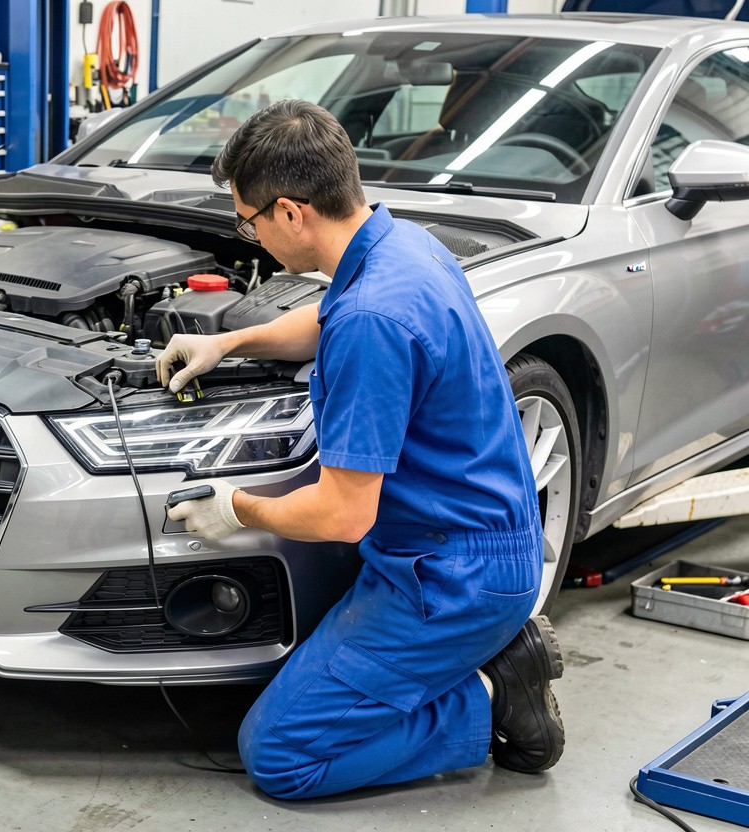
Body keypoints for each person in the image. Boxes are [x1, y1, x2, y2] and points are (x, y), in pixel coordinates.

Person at [155, 99, 565, 799]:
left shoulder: (374, 319)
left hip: (450, 580)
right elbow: (331, 311)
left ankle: (498, 690)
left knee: (280, 756)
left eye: (246, 220)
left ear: (290, 213)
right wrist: (227, 340)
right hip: (468, 542)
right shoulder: (401, 246)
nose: (246, 234)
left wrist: (238, 508)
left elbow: (344, 517)